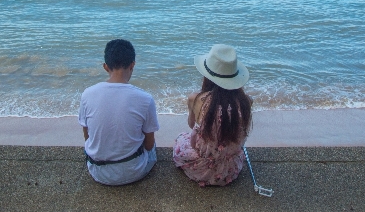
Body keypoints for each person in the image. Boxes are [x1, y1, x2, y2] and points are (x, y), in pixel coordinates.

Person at [78, 39, 159, 186]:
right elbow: (148, 144)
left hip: (97, 171)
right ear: (132, 65)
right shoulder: (145, 99)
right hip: (134, 171)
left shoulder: (87, 94)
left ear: (105, 67)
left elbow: (87, 137)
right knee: (152, 146)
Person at [172, 44, 253, 187]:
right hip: (230, 169)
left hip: (201, 168)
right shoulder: (246, 102)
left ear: (207, 76)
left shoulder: (196, 99)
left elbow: (192, 125)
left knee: (181, 138)